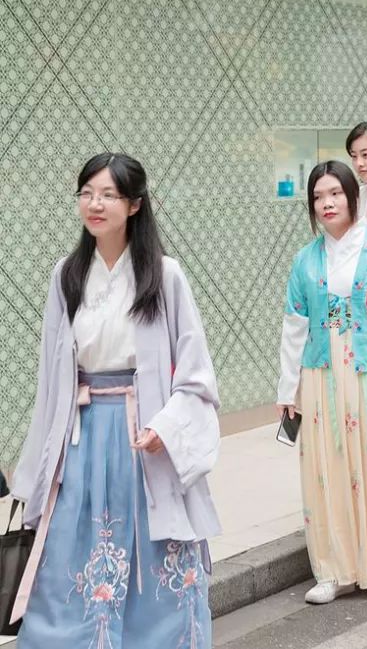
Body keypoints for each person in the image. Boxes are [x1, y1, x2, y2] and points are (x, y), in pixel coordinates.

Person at [12, 153, 220, 648]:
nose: (95, 204)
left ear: (135, 205)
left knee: (151, 550)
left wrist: (166, 427)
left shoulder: (164, 275)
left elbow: (196, 373)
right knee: (73, 546)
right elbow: (50, 379)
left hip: (142, 436)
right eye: (86, 193)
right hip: (81, 439)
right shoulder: (67, 274)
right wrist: (37, 469)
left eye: (108, 195)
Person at [277, 161, 367, 603]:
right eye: (318, 197)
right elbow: (294, 326)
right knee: (327, 468)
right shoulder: (305, 259)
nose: (326, 204)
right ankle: (333, 568)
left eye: (334, 194)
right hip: (321, 371)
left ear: (352, 197)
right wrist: (289, 391)